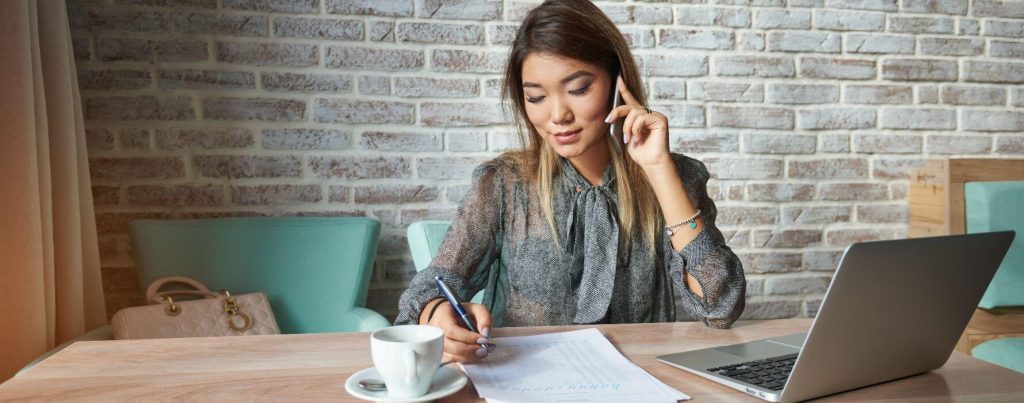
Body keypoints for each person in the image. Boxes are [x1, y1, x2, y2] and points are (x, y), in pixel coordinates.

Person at [395, 0, 745, 363]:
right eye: (536, 97)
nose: (558, 114)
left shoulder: (676, 177)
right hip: (522, 380)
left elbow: (720, 307)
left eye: (578, 89)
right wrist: (436, 313)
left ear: (616, 82)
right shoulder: (503, 183)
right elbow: (429, 286)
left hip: (639, 383)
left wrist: (657, 168)